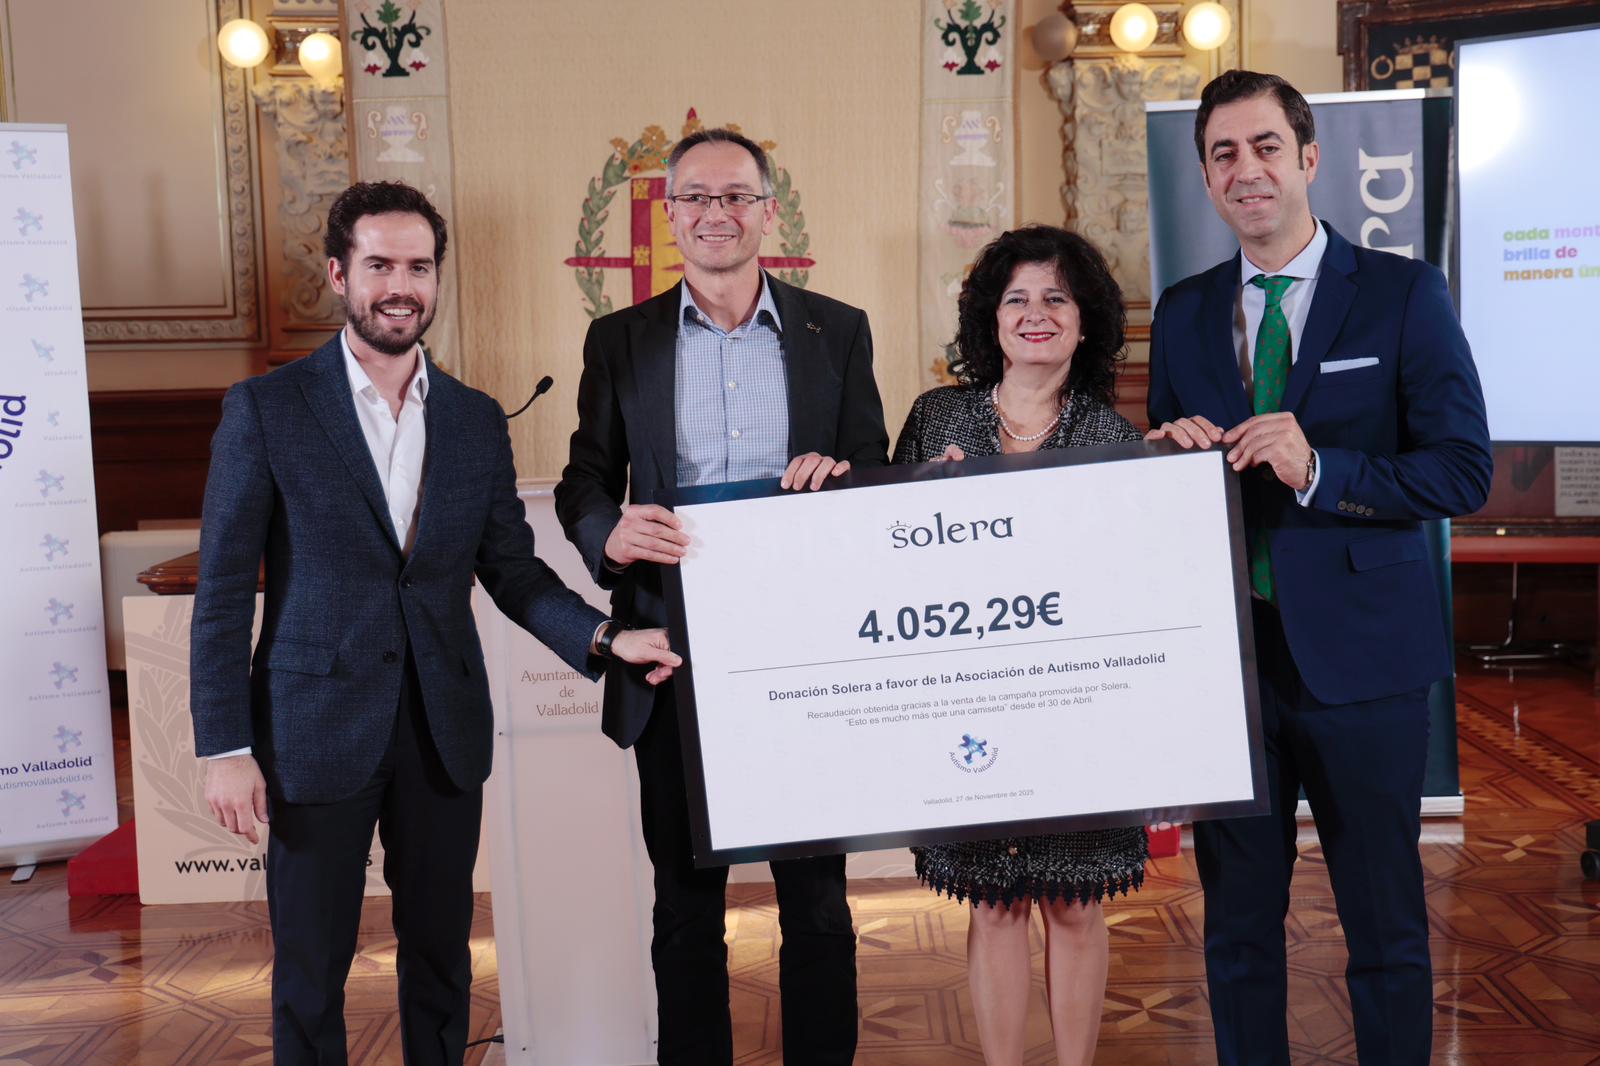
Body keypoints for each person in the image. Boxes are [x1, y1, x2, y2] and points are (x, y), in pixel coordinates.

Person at [191, 181, 680, 1066]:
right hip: (312, 730)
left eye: (419, 268)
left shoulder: (474, 419)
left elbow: (513, 570)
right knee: (310, 972)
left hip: (441, 733)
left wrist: (606, 638)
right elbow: (223, 589)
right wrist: (224, 746)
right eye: (379, 265)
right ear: (339, 274)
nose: (400, 287)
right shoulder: (266, 410)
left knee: (442, 961)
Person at [1146, 71, 1492, 1065]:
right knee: (1237, 936)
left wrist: (1321, 469)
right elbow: (1174, 484)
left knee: (1385, 930)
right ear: (1205, 179)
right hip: (1230, 671)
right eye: (1222, 154)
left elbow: (1461, 470)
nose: (1245, 169)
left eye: (1264, 147)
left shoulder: (1402, 293)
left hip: (1366, 667)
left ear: (1307, 158)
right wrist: (1163, 461)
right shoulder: (1181, 311)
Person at [555, 127, 888, 1065]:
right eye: (696, 197)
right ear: (671, 214)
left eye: (736, 196)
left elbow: (872, 468)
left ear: (768, 211)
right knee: (686, 905)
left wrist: (844, 475)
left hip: (809, 650)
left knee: (818, 904)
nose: (717, 213)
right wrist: (608, 533)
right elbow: (585, 480)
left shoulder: (839, 329)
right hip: (675, 653)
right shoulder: (619, 340)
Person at [894, 225, 1148, 1066]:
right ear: (990, 319)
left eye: (1056, 298)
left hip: (1078, 706)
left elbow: (1128, 591)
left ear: (1085, 320)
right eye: (1017, 299)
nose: (1036, 313)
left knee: (1075, 903)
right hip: (966, 706)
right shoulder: (935, 418)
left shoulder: (1115, 440)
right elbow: (886, 562)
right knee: (995, 903)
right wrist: (926, 504)